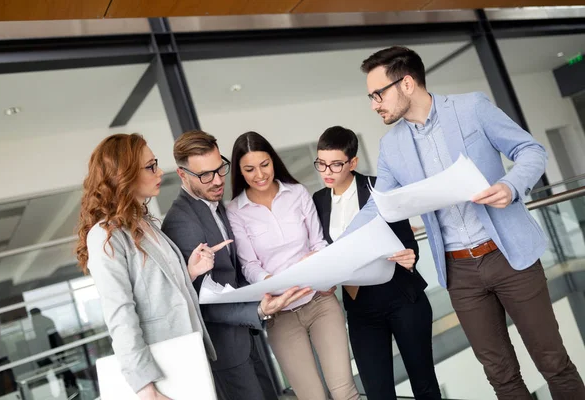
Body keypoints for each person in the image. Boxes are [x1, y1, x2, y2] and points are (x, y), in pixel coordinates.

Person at [345, 46, 585, 399]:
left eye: (378, 94)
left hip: (511, 258)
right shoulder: (391, 146)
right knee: (500, 375)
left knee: (553, 362)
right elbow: (377, 207)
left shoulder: (472, 107)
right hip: (460, 275)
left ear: (407, 83)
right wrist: (332, 248)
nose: (374, 104)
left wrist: (510, 185)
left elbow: (530, 150)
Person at [161, 130, 312, 400]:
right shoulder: (180, 221)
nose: (218, 180)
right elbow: (200, 297)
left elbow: (232, 272)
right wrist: (258, 309)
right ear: (183, 174)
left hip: (245, 339)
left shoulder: (215, 204)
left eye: (220, 169)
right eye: (206, 175)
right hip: (224, 350)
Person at [76, 133, 224, 399]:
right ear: (125, 174)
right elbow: (120, 313)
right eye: (150, 166)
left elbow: (155, 293)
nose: (160, 171)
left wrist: (189, 271)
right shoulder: (104, 235)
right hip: (161, 369)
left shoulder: (147, 223)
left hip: (187, 352)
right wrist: (145, 388)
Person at [226, 131, 359, 400]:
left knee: (345, 392)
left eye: (264, 165)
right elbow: (249, 264)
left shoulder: (297, 193)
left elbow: (319, 243)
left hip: (319, 302)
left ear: (273, 161)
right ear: (240, 172)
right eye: (249, 169)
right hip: (281, 314)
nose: (259, 174)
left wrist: (316, 268)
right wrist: (274, 282)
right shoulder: (235, 211)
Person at [312, 126, 440, 400]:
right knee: (377, 392)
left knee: (425, 386)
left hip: (401, 296)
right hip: (359, 306)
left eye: (336, 164)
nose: (327, 171)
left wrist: (409, 254)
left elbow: (407, 241)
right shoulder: (318, 201)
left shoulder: (377, 189)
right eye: (321, 163)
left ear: (353, 162)